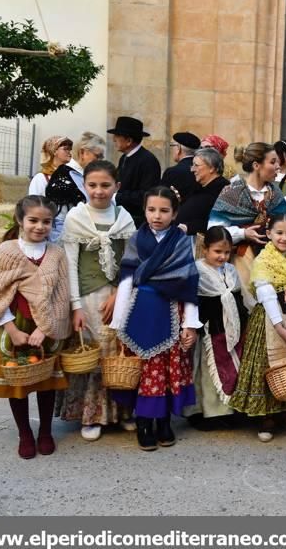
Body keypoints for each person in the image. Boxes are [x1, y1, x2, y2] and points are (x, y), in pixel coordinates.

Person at [0, 196, 70, 459]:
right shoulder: (7, 252)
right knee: (19, 381)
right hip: (15, 321)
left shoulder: (57, 254)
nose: (39, 226)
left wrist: (46, 329)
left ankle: (45, 432)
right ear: (20, 220)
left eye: (46, 222)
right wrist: (11, 328)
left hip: (44, 324)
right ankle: (25, 433)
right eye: (33, 220)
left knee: (47, 380)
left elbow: (61, 294)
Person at [110, 186, 201, 451]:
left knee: (166, 371)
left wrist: (190, 324)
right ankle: (143, 422)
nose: (157, 216)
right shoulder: (136, 240)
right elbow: (127, 280)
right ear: (144, 210)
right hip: (139, 312)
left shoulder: (183, 242)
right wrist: (118, 321)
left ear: (174, 214)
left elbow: (189, 284)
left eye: (164, 210)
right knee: (143, 370)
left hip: (170, 312)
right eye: (151, 210)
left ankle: (163, 421)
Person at [56, 160, 137, 441]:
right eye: (92, 185)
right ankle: (91, 415)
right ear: (84, 186)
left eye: (105, 185)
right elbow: (70, 264)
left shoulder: (124, 217)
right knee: (93, 353)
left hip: (119, 296)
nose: (99, 191)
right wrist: (75, 306)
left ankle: (121, 412)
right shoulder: (76, 218)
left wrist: (118, 292)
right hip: (88, 298)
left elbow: (130, 261)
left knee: (118, 353)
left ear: (117, 186)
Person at [228, 214, 286, 442]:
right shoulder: (263, 260)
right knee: (269, 364)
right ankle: (267, 417)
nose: (284, 237)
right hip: (270, 319)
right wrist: (279, 326)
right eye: (279, 233)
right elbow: (266, 293)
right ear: (269, 234)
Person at [207, 142, 286, 308]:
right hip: (242, 261)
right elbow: (214, 230)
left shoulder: (276, 194)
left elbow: (285, 224)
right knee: (247, 307)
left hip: (274, 262)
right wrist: (243, 234)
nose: (278, 167)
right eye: (273, 162)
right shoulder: (232, 193)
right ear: (257, 165)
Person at [185, 226, 248, 431]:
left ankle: (227, 410)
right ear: (205, 249)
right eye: (217, 252)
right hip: (208, 329)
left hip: (230, 329)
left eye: (227, 252)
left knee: (230, 369)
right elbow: (191, 302)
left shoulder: (230, 271)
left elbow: (237, 297)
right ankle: (205, 411)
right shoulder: (197, 270)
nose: (222, 256)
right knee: (206, 371)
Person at [45, 132, 106, 242]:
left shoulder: (87, 174)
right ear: (82, 152)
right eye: (97, 156)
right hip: (67, 241)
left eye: (102, 157)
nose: (100, 161)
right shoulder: (63, 175)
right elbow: (59, 219)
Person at [108, 116, 161, 226]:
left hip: (137, 221)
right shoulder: (124, 157)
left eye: (117, 136)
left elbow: (147, 195)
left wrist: (117, 196)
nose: (114, 139)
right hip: (122, 217)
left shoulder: (148, 161)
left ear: (129, 141)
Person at [176, 148, 230, 237]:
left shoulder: (224, 191)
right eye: (192, 165)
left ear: (211, 168)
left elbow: (222, 223)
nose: (192, 170)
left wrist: (189, 227)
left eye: (196, 165)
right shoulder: (198, 188)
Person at [162, 131, 200, 204]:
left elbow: (162, 198)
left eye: (172, 145)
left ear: (178, 148)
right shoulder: (203, 169)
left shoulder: (172, 172)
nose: (171, 149)